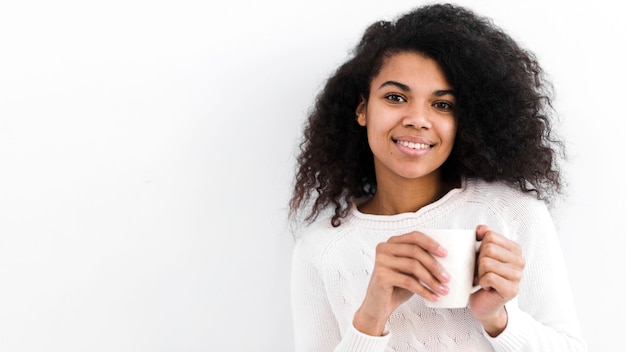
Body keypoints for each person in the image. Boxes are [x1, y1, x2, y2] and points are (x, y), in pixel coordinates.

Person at [288, 3, 587, 351]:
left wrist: (498, 320)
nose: (418, 119)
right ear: (362, 109)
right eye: (395, 97)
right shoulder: (321, 249)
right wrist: (370, 320)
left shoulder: (513, 213)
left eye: (442, 104)